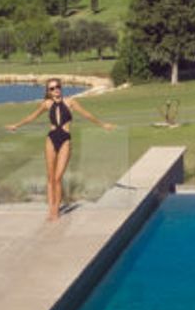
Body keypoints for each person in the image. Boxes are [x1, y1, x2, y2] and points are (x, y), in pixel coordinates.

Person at [6, 78, 115, 219]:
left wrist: (102, 124)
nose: (55, 90)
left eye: (57, 86)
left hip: (65, 139)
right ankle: (51, 209)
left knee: (58, 178)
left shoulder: (70, 102)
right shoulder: (46, 104)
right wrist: (17, 125)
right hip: (51, 138)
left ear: (61, 87)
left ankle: (56, 210)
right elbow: (32, 116)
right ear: (48, 92)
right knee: (50, 177)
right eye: (52, 88)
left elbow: (86, 114)